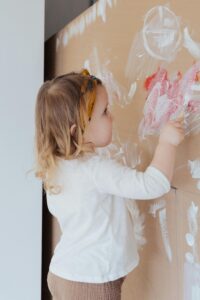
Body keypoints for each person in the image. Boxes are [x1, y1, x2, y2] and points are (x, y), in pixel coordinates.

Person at [34, 69, 185, 299]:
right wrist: (167, 143)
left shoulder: (56, 167)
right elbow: (153, 184)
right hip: (92, 282)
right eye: (104, 112)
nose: (112, 116)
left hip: (63, 273)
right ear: (78, 131)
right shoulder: (95, 170)